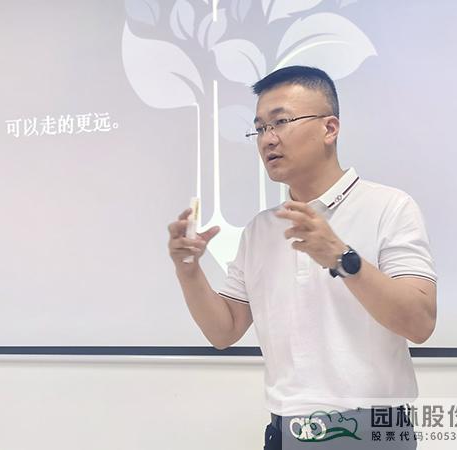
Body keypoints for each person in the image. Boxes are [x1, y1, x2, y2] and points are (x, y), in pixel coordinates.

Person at [167, 66, 437, 449]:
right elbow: (224, 331)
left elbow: (420, 323)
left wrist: (341, 257)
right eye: (260, 128)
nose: (268, 139)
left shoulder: (390, 207)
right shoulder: (260, 230)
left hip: (373, 432)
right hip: (287, 432)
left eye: (281, 122)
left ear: (330, 128)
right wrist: (188, 270)